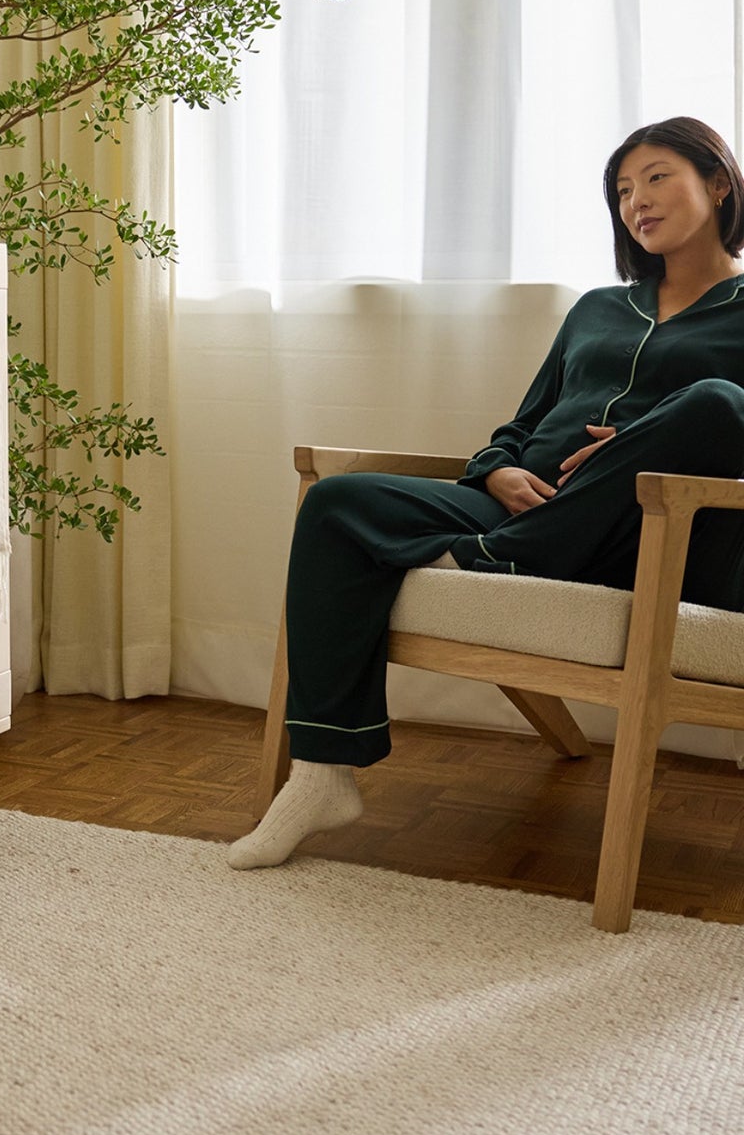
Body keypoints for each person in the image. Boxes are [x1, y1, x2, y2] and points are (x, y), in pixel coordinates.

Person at [230, 114, 744, 870]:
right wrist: (495, 468)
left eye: (658, 177)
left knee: (715, 402)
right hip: (514, 505)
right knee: (338, 504)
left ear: (719, 183)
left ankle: (493, 556)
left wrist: (643, 436)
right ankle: (323, 771)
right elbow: (526, 420)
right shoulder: (599, 307)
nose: (637, 200)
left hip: (645, 530)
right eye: (624, 189)